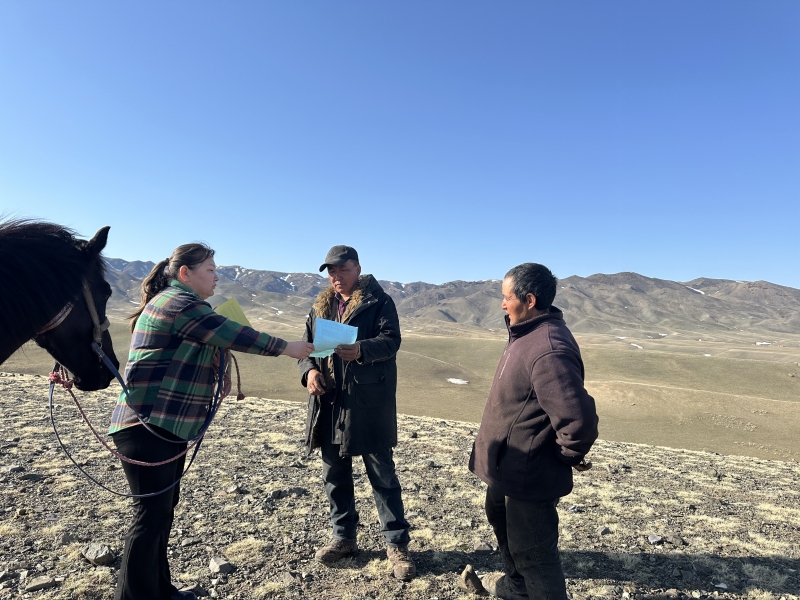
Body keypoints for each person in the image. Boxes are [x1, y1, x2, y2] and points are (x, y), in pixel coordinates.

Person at [108, 243, 314, 600]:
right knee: (150, 516)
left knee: (161, 513)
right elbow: (234, 333)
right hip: (147, 425)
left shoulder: (179, 303)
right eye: (210, 270)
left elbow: (208, 341)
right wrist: (288, 348)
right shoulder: (179, 303)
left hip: (160, 425)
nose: (217, 277)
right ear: (185, 273)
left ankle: (160, 591)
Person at [469, 262, 598, 600]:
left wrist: (564, 457)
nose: (502, 305)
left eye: (507, 298)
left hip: (530, 473)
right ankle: (517, 589)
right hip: (506, 467)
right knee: (502, 523)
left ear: (529, 300)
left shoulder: (548, 348)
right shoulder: (526, 332)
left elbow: (578, 420)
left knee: (534, 554)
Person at [298, 245, 416, 581]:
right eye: (332, 271)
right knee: (334, 474)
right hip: (329, 402)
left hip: (367, 402)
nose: (337, 277)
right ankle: (344, 538)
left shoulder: (379, 302)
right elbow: (305, 349)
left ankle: (397, 544)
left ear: (358, 269)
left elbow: (392, 340)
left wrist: (362, 349)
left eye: (343, 269)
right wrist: (309, 372)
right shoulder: (319, 307)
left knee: (382, 475)